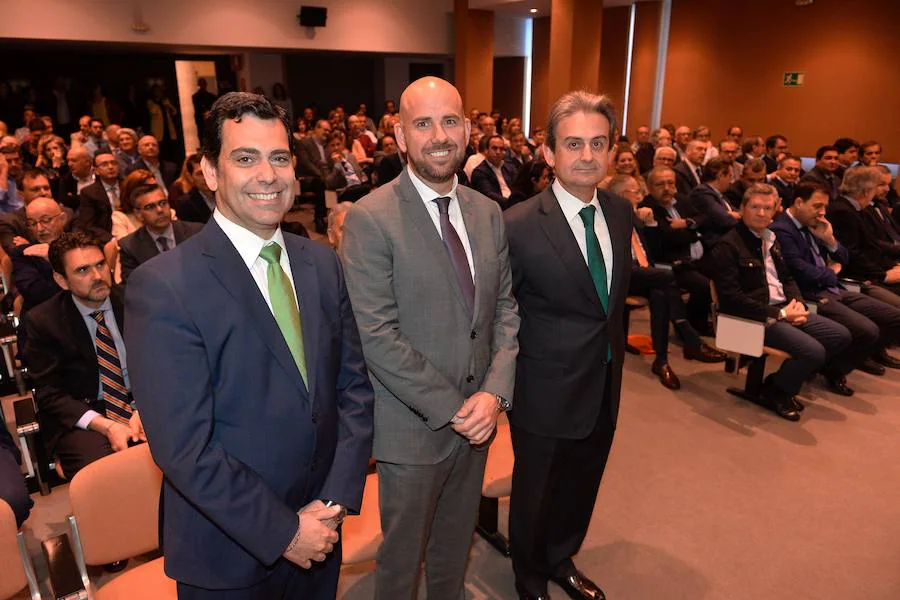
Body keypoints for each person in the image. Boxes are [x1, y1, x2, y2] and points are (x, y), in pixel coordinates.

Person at [125, 92, 374, 598]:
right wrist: (285, 532)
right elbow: (183, 448)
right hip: (228, 555)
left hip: (321, 533)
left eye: (279, 157)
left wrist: (334, 503)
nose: (268, 174)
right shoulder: (164, 285)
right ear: (210, 172)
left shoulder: (322, 264)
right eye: (245, 158)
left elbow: (353, 391)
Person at [339, 76, 519, 600]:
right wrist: (459, 407)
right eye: (423, 123)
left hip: (481, 421)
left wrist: (493, 394)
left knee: (453, 548)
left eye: (449, 121)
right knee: (400, 560)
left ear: (467, 129)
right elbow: (376, 334)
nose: (438, 135)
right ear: (399, 136)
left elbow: (506, 309)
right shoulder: (371, 218)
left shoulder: (487, 213)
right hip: (412, 429)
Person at [504, 90, 630, 600]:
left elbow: (609, 305)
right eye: (573, 143)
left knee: (582, 482)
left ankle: (562, 556)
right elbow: (501, 314)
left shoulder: (620, 212)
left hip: (604, 379)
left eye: (598, 143)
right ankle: (529, 575)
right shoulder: (515, 224)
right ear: (549, 151)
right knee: (535, 493)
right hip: (543, 389)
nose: (587, 155)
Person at [708, 184, 853, 421]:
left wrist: (798, 304)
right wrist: (782, 315)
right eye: (755, 207)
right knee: (813, 351)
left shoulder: (770, 238)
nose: (762, 213)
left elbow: (786, 278)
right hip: (755, 316)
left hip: (785, 309)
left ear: (776, 210)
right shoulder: (727, 246)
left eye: (768, 208)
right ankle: (777, 392)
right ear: (743, 209)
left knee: (840, 335)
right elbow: (732, 300)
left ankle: (776, 383)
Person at [23, 232, 145, 478]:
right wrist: (108, 426)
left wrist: (144, 409)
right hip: (85, 413)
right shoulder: (43, 321)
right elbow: (50, 395)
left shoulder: (138, 300)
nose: (98, 276)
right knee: (105, 476)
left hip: (143, 400)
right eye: (82, 270)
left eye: (100, 264)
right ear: (61, 280)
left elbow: (167, 366)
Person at [608, 174, 725, 389]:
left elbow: (652, 251)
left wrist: (651, 223)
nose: (641, 196)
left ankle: (661, 361)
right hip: (620, 276)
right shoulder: (610, 217)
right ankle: (689, 337)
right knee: (667, 277)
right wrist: (631, 215)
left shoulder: (638, 215)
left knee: (661, 294)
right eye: (637, 192)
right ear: (624, 195)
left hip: (644, 272)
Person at [771, 182, 900, 375]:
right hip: (811, 292)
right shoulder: (782, 229)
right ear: (799, 202)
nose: (822, 212)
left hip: (834, 287)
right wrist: (832, 272)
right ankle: (834, 369)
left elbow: (844, 259)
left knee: (893, 316)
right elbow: (801, 272)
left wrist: (830, 241)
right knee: (866, 330)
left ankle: (840, 362)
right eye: (817, 206)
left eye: (824, 207)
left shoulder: (815, 225)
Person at [117, 184, 202, 282]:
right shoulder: (130, 247)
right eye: (150, 207)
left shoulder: (196, 232)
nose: (160, 210)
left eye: (163, 203)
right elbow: (134, 287)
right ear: (139, 214)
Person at [76, 151, 121, 242]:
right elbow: (88, 225)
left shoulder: (127, 185)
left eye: (113, 163)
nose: (110, 167)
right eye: (104, 164)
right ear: (96, 170)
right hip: (106, 237)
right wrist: (111, 239)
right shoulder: (88, 193)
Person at [471, 134, 518, 207]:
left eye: (501, 149)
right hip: (496, 208)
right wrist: (511, 203)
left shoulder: (509, 167)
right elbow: (489, 194)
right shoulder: (479, 172)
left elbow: (518, 186)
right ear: (486, 150)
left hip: (514, 205)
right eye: (494, 148)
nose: (498, 152)